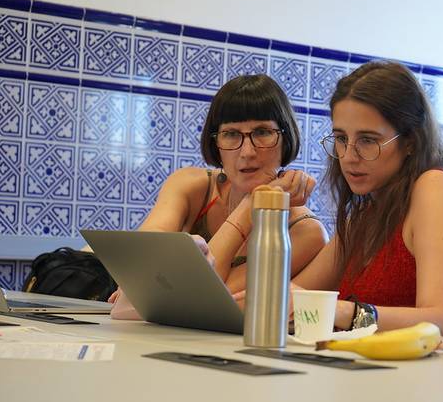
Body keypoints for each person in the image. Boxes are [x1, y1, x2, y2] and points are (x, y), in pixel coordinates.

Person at [230, 62, 443, 341]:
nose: (348, 156)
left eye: (368, 140)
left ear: (410, 141)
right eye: (340, 138)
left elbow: (442, 324)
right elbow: (296, 294)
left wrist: (340, 312)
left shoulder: (435, 188)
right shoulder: (366, 214)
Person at [108, 74, 328, 306]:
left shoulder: (304, 232)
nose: (247, 152)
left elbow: (200, 298)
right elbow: (141, 260)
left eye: (262, 132)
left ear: (286, 138)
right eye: (231, 134)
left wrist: (250, 206)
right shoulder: (191, 186)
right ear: (216, 143)